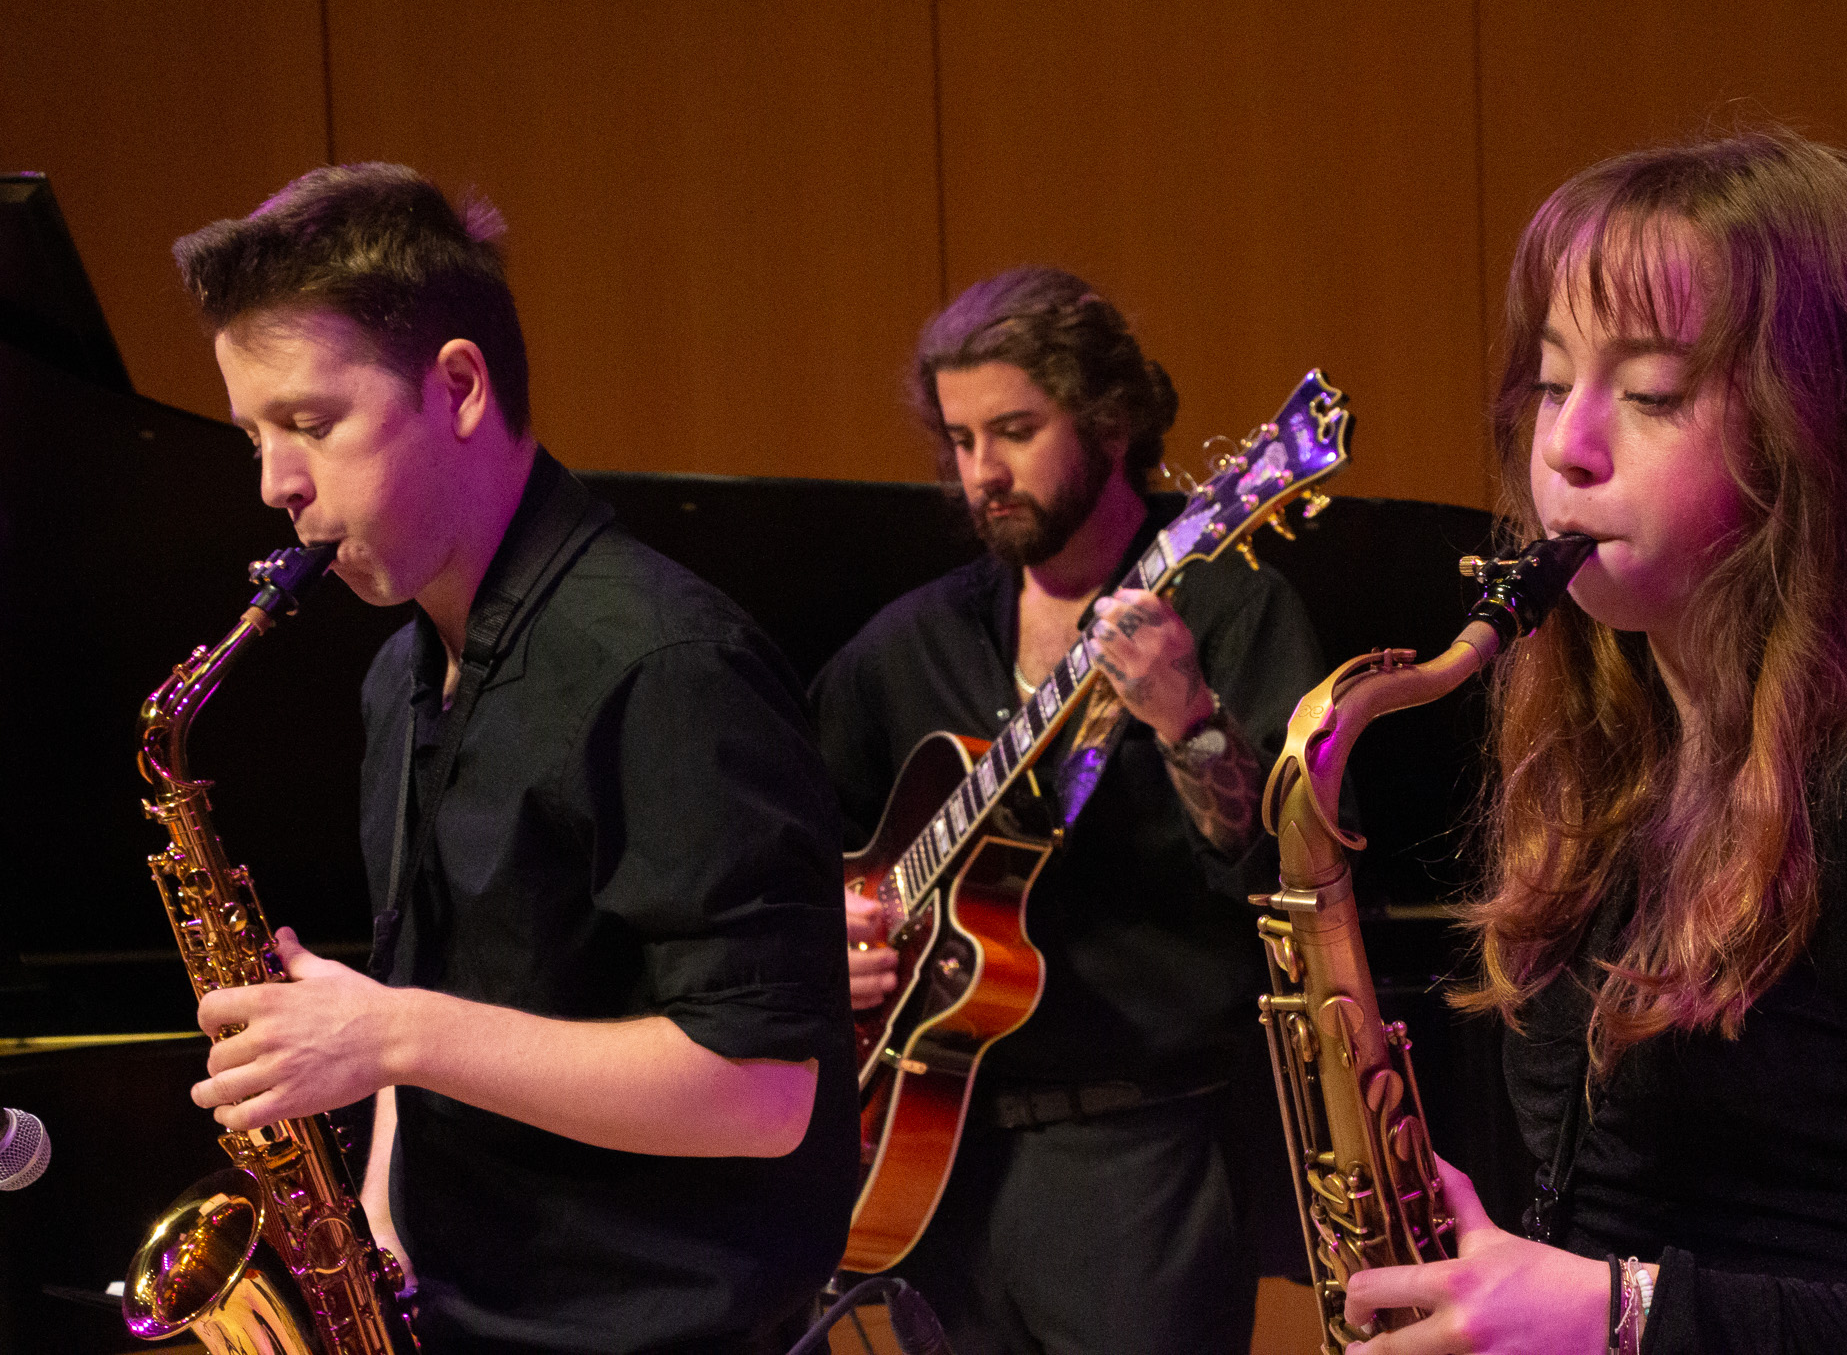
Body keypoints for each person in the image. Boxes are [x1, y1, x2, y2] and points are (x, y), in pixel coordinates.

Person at [1341, 132, 1847, 1353]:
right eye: (1553, 382)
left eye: (1652, 392)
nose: (1566, 444)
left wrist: (1619, 1318)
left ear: (1818, 434)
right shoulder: (1614, 756)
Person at [169, 163, 859, 1354]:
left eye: (310, 424)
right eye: (255, 435)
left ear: (459, 387)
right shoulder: (400, 672)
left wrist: (391, 1034)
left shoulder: (664, 665)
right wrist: (376, 1228)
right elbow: (421, 988)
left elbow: (763, 1094)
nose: (276, 483)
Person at [810, 266, 1326, 1354]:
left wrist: (1187, 717)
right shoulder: (909, 645)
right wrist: (832, 935)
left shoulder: (1228, 607)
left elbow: (1290, 871)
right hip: (934, 1156)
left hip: (1135, 1158)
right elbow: (784, 839)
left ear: (1111, 419)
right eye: (958, 441)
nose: (980, 474)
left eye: (1014, 430)